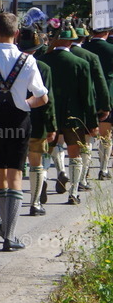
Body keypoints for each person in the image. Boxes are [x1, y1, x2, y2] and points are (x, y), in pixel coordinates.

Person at [0, 12, 48, 251]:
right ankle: (9, 235)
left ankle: (5, 226)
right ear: (17, 33)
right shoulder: (28, 60)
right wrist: (25, 103)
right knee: (15, 175)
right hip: (19, 120)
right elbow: (42, 97)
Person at [40, 20, 96, 205]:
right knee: (75, 153)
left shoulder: (43, 61)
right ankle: (74, 192)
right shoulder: (80, 63)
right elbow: (87, 96)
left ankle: (42, 182)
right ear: (71, 41)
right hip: (74, 114)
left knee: (47, 151)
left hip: (49, 113)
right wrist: (92, 122)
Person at [18, 27, 57, 216]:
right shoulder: (43, 68)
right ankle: (35, 203)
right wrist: (51, 126)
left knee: (14, 164)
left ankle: (11, 205)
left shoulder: (9, 64)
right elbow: (48, 100)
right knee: (36, 162)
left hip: (13, 120)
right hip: (36, 120)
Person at [69, 19, 110, 190]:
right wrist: (106, 104)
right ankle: (99, 171)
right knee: (98, 137)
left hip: (67, 103)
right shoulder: (94, 54)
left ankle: (67, 174)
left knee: (66, 142)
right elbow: (100, 82)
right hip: (95, 99)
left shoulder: (81, 50)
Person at [83, 25, 113, 179]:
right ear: (107, 32)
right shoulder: (111, 49)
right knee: (105, 134)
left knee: (86, 136)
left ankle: (84, 170)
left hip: (86, 95)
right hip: (108, 94)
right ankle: (103, 169)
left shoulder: (83, 48)